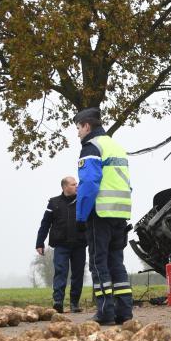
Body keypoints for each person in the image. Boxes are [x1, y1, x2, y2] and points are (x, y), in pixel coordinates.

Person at [74, 106, 133, 325]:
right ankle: (124, 312)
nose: (78, 133)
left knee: (99, 264)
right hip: (120, 212)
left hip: (100, 213)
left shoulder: (91, 147)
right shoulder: (116, 146)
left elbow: (88, 183)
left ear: (87, 126)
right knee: (117, 263)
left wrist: (81, 216)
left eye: (79, 128)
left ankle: (105, 313)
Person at [35, 177, 87, 313]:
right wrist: (39, 242)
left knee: (78, 274)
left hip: (79, 244)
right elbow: (45, 223)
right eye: (73, 184)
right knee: (60, 273)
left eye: (77, 184)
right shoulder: (54, 203)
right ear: (65, 187)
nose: (77, 186)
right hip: (61, 245)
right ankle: (58, 302)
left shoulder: (82, 201)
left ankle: (74, 303)